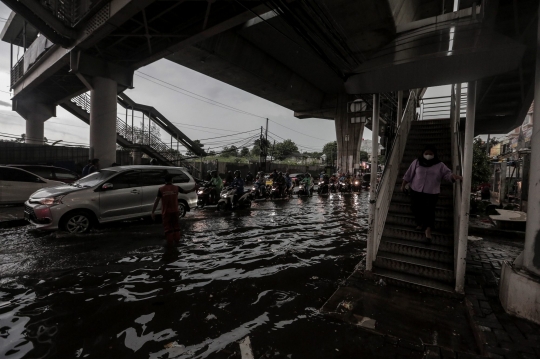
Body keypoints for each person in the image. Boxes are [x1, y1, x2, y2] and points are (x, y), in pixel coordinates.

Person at [401, 145, 462, 244]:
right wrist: (403, 185)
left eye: (431, 153)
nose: (428, 155)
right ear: (423, 154)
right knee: (415, 208)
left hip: (431, 192)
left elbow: (447, 174)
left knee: (429, 211)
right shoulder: (416, 162)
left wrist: (453, 177)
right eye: (426, 153)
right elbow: (409, 174)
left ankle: (428, 230)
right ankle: (420, 223)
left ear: (434, 154)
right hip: (416, 190)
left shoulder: (440, 165)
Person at [152, 174, 196, 244]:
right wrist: (193, 189)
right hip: (175, 211)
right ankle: (177, 243)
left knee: (168, 229)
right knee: (176, 227)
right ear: (172, 180)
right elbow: (186, 192)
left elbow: (157, 201)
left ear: (165, 181)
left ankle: (170, 245)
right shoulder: (176, 188)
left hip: (166, 212)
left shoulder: (161, 189)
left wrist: (153, 212)